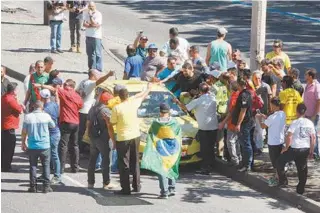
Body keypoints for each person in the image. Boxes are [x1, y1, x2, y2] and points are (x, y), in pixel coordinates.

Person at [110, 83, 152, 195]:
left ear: (119, 97)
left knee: (124, 163)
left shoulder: (117, 108)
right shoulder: (133, 103)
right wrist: (148, 88)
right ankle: (137, 185)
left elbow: (112, 122)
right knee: (135, 161)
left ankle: (125, 188)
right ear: (128, 95)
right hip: (135, 135)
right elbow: (142, 96)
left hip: (123, 137)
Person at [177, 83, 218, 175]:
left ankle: (205, 168)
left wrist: (177, 102)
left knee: (204, 148)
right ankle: (211, 166)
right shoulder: (213, 98)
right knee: (211, 147)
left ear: (199, 91)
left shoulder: (198, 101)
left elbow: (185, 108)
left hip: (204, 127)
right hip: (213, 126)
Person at [276, 103, 316, 194]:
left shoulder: (295, 122)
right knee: (302, 169)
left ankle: (283, 181)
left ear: (297, 112)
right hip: (305, 148)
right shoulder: (310, 123)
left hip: (295, 148)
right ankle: (300, 189)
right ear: (305, 112)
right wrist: (311, 151)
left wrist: (286, 147)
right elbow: (313, 138)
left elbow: (289, 136)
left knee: (279, 162)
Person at [147, 103, 182, 199]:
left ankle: (164, 192)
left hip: (161, 148)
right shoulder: (174, 122)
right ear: (169, 111)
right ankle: (172, 188)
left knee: (161, 169)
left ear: (160, 111)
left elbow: (151, 133)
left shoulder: (155, 123)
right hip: (172, 149)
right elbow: (178, 134)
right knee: (171, 166)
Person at [21, 100, 56, 193]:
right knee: (46, 165)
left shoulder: (28, 117)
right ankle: (46, 187)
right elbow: (53, 125)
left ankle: (33, 187)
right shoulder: (46, 116)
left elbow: (24, 132)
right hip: (45, 145)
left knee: (33, 166)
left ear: (33, 107)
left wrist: (23, 142)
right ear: (42, 107)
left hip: (32, 145)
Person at [76, 70, 114, 153]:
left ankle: (79, 149)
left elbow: (77, 92)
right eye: (98, 75)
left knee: (81, 131)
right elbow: (100, 81)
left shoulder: (83, 82)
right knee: (87, 131)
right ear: (93, 75)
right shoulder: (90, 83)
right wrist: (108, 75)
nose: (99, 76)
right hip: (87, 111)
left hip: (81, 110)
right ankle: (80, 150)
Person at [87, 91, 117, 189]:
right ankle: (106, 182)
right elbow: (110, 125)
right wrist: (113, 140)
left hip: (93, 137)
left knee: (92, 160)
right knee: (106, 161)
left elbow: (88, 122)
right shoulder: (106, 111)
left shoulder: (92, 108)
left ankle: (90, 182)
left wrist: (88, 134)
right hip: (104, 139)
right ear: (107, 101)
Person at [257, 97, 286, 187]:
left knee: (276, 163)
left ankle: (281, 180)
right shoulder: (282, 114)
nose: (270, 106)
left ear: (273, 105)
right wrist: (265, 117)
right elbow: (272, 121)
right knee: (280, 162)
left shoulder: (272, 117)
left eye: (271, 105)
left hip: (273, 143)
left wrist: (259, 119)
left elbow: (263, 126)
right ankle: (281, 179)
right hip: (281, 141)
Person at [232, 78, 254, 172]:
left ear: (238, 84)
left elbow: (243, 110)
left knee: (246, 143)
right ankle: (244, 163)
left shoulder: (244, 95)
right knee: (243, 143)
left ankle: (247, 164)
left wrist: (238, 124)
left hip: (245, 123)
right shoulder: (246, 93)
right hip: (245, 122)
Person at [40, 89, 62, 184]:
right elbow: (58, 101)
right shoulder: (54, 104)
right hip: (55, 132)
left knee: (53, 155)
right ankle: (46, 174)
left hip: (52, 134)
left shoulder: (45, 110)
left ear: (42, 98)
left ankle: (57, 176)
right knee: (49, 155)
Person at [206, 69, 228, 159]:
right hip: (225, 111)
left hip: (217, 112)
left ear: (212, 77)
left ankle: (218, 154)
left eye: (210, 76)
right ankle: (221, 153)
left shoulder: (215, 87)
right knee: (222, 133)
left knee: (217, 133)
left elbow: (210, 100)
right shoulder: (224, 85)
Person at [1, 83, 23, 172]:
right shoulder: (11, 99)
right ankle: (6, 166)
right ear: (14, 90)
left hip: (4, 125)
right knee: (9, 148)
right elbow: (20, 110)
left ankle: (3, 164)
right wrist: (21, 105)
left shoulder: (4, 97)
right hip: (9, 126)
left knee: (4, 147)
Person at [219, 81, 242, 166]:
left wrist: (223, 122)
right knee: (236, 141)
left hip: (232, 123)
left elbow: (231, 112)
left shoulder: (234, 97)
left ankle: (235, 160)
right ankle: (239, 158)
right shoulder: (238, 94)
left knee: (231, 142)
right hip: (237, 122)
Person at [303, 68, 320, 158]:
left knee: (314, 134)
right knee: (307, 133)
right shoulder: (307, 84)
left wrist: (315, 114)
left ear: (310, 76)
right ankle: (309, 152)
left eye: (306, 75)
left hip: (313, 115)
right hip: (307, 114)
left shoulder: (316, 86)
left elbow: (318, 101)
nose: (305, 76)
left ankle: (315, 153)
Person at [83, 1, 103, 71]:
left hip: (96, 36)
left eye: (92, 6)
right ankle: (91, 68)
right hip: (88, 35)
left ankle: (98, 69)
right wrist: (91, 25)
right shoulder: (86, 13)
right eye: (89, 6)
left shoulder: (98, 14)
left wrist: (91, 17)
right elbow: (84, 24)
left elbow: (96, 24)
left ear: (95, 6)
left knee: (97, 53)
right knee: (89, 53)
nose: (90, 8)